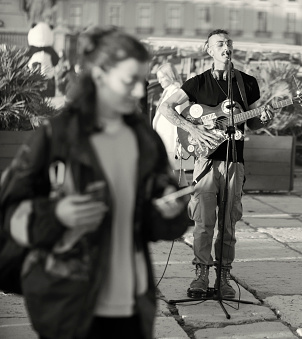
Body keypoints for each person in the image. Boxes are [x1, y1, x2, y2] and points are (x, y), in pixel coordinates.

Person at [0, 26, 190, 339]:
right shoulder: (56, 136)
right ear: (100, 75)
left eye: (143, 82)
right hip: (67, 304)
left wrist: (169, 211)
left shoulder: (146, 140)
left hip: (133, 303)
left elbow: (158, 213)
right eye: (130, 82)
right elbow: (9, 210)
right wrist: (57, 215)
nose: (142, 93)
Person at [159, 29, 273, 299]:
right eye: (220, 43)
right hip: (206, 161)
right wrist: (192, 129)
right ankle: (201, 275)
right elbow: (167, 108)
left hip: (235, 161)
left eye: (229, 42)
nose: (226, 47)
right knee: (203, 221)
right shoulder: (197, 83)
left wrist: (265, 118)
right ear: (209, 50)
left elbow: (252, 120)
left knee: (229, 223)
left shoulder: (246, 82)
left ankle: (223, 277)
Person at [152, 63, 189, 186]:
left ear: (171, 76)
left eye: (162, 77)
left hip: (173, 143)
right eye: (158, 77)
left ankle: (185, 202)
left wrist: (179, 144)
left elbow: (181, 119)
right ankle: (186, 202)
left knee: (176, 177)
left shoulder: (176, 92)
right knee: (177, 176)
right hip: (166, 142)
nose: (159, 80)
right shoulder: (167, 92)